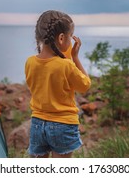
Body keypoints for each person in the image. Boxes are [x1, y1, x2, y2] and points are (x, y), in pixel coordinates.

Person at [25, 10, 91, 158]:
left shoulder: (30, 62)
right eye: (69, 37)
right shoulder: (66, 65)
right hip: (63, 124)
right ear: (61, 38)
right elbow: (85, 85)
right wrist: (74, 57)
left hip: (37, 123)